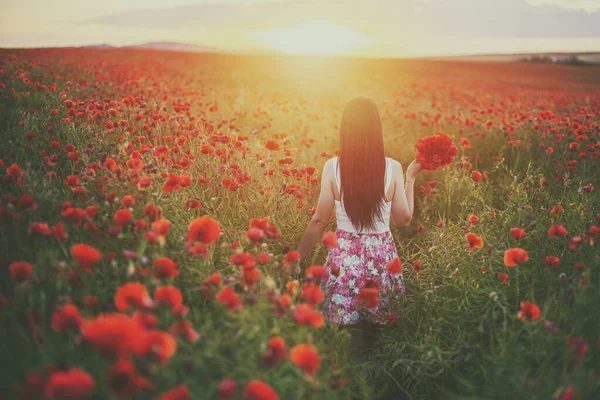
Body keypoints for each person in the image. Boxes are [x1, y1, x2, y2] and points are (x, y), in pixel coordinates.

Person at [282, 96, 422, 357]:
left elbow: (319, 221)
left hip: (344, 257)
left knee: (349, 334)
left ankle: (350, 378)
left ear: (345, 128)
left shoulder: (333, 168)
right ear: (376, 129)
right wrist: (410, 179)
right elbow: (403, 220)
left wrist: (297, 257)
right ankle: (377, 380)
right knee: (379, 333)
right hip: (382, 258)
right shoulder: (392, 168)